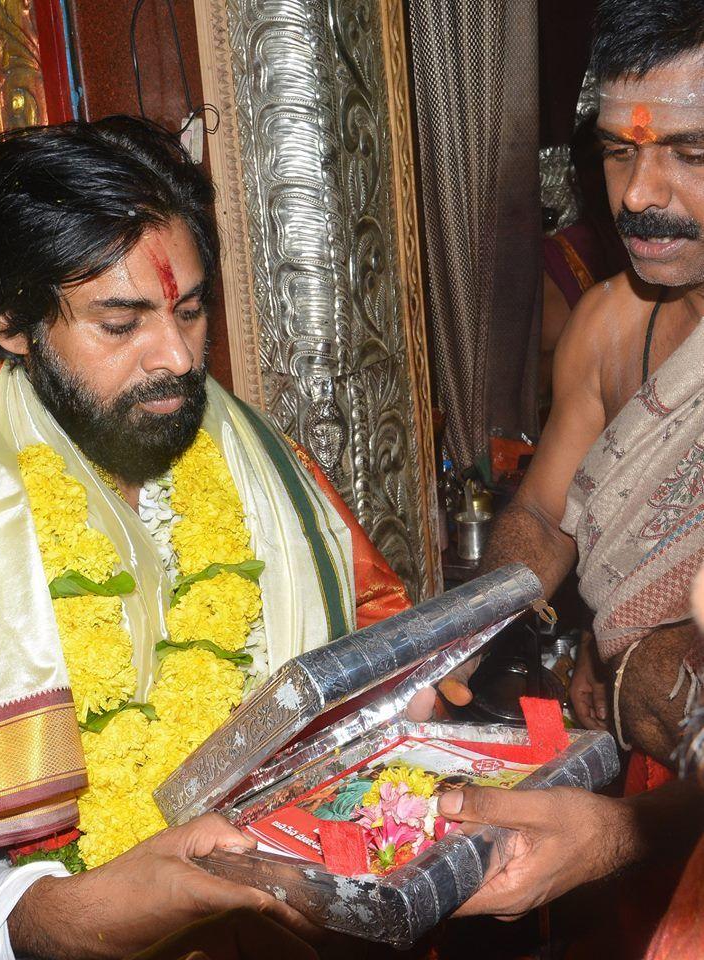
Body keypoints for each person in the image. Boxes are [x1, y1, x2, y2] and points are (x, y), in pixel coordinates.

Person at [0, 116, 411, 957]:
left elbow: (377, 661)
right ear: (10, 326)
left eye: (192, 309)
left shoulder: (272, 477)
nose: (174, 356)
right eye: (119, 322)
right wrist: (58, 916)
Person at [434, 0, 704, 926]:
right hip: (643, 768)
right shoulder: (605, 327)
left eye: (689, 154)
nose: (639, 194)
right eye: (619, 150)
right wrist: (445, 641)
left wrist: (636, 674)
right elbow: (544, 518)